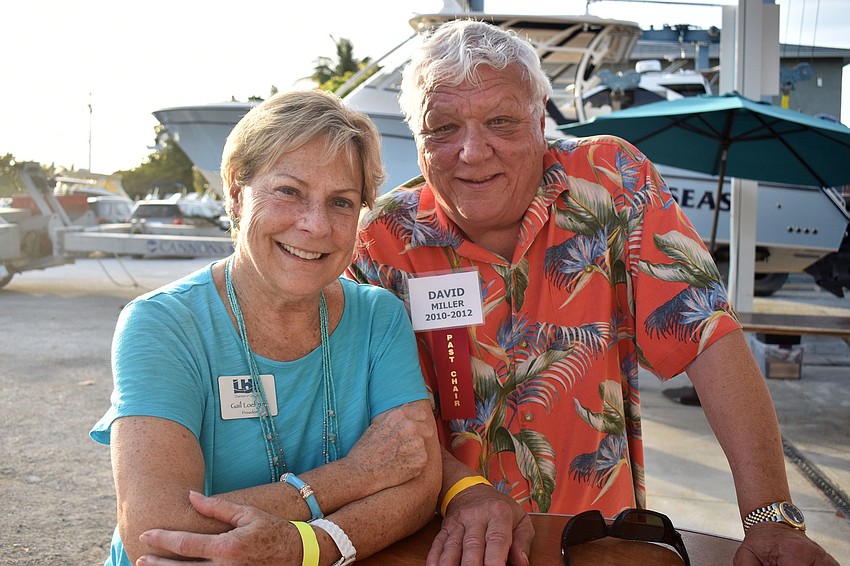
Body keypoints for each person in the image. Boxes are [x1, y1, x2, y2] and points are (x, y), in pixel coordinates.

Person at [346, 18, 839, 566]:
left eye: (501, 121)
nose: (472, 151)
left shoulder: (609, 179)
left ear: (539, 120)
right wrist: (463, 492)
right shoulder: (382, 241)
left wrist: (770, 516)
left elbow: (707, 337)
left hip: (597, 542)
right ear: (417, 138)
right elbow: (372, 417)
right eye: (442, 128)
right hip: (445, 544)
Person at [90, 89, 441, 566]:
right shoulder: (163, 323)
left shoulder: (379, 317)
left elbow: (420, 481)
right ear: (236, 194)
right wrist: (356, 476)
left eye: (341, 202)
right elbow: (157, 530)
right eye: (289, 191)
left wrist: (301, 547)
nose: (315, 225)